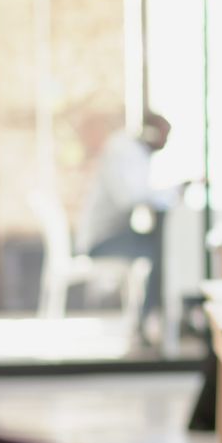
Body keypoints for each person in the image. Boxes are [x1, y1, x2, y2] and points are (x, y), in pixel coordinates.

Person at [76, 112, 178, 345]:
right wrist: (171, 192)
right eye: (164, 137)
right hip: (100, 240)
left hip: (115, 232)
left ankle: (151, 319)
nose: (165, 144)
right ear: (151, 134)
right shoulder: (122, 151)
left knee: (158, 248)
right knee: (157, 253)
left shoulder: (135, 152)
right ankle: (147, 322)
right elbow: (129, 197)